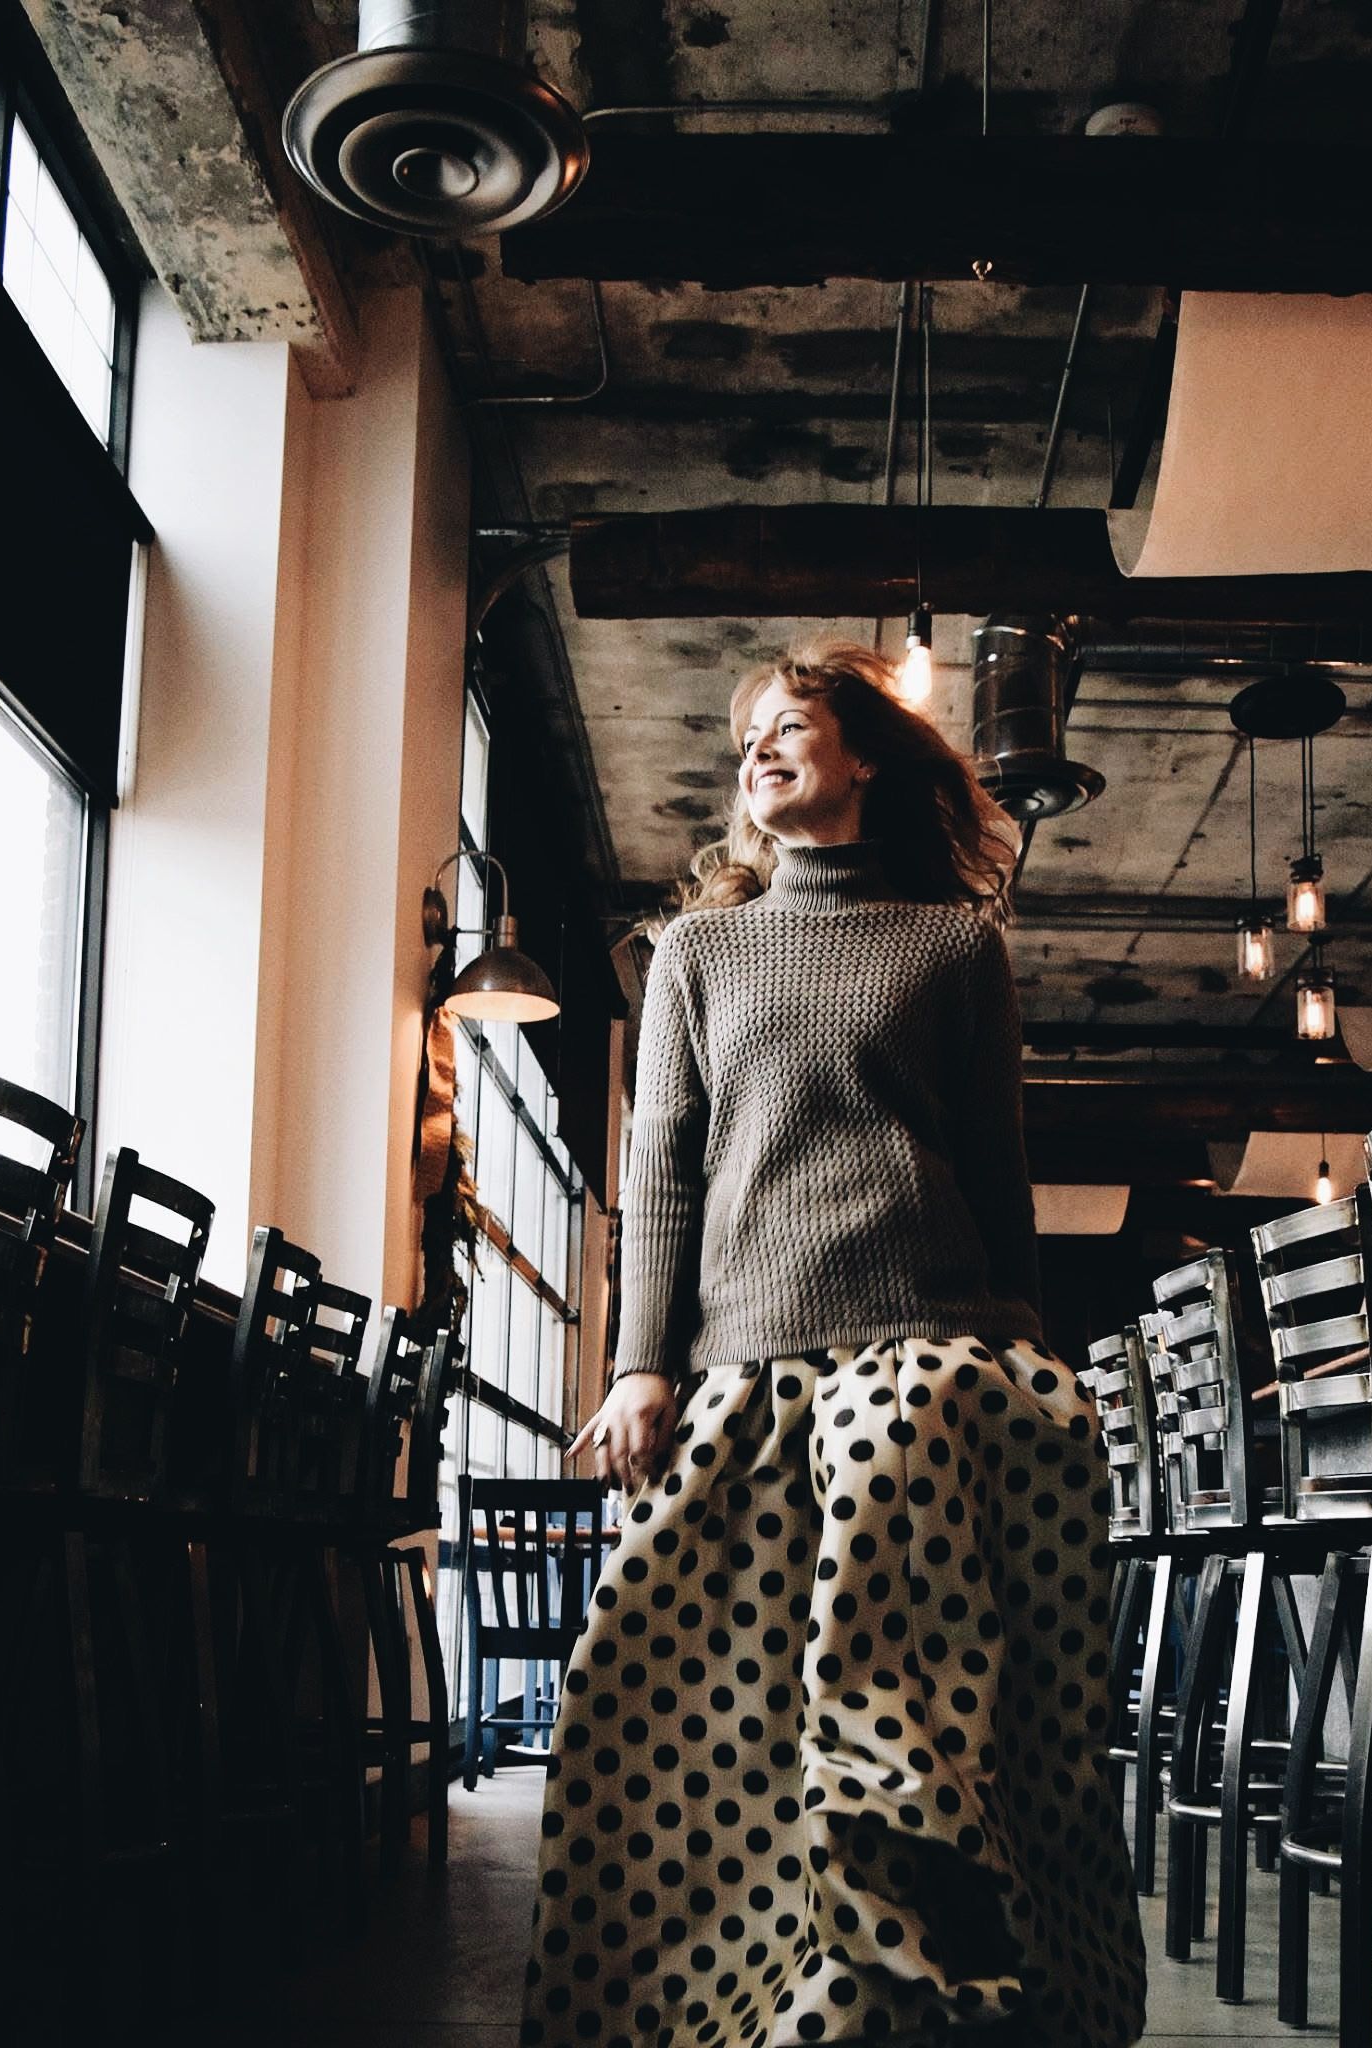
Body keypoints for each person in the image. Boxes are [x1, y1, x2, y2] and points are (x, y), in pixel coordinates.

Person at [519, 644, 1147, 2048]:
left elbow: (995, 1172)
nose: (756, 751)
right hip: (746, 1370)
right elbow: (664, 1171)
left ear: (864, 755)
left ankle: (940, 1994)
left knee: (911, 1704)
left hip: (926, 1362)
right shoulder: (695, 952)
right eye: (745, 738)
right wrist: (638, 1367)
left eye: (787, 726)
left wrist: (1030, 1362)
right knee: (658, 1701)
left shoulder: (952, 945)